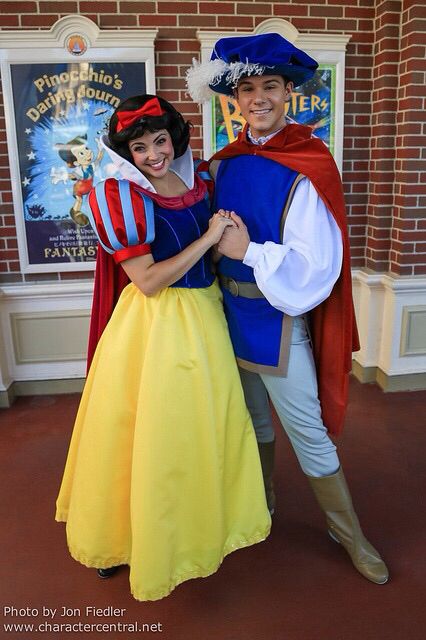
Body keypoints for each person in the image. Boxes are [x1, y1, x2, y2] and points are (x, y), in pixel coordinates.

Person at [186, 33, 389, 585]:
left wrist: (247, 250)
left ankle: (349, 534)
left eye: (269, 86)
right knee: (250, 422)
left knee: (308, 431)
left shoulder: (307, 163)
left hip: (275, 321)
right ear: (234, 100)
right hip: (222, 318)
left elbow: (319, 263)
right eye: (246, 89)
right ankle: (264, 506)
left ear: (288, 93)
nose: (258, 98)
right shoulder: (224, 162)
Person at [55, 94, 271, 602]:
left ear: (174, 137)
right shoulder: (121, 196)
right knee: (145, 435)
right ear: (125, 151)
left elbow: (211, 250)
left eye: (160, 140)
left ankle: (196, 530)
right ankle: (125, 540)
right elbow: (149, 281)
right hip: (156, 327)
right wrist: (208, 236)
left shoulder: (195, 180)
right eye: (140, 146)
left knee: (197, 431)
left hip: (205, 317)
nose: (154, 154)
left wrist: (229, 238)